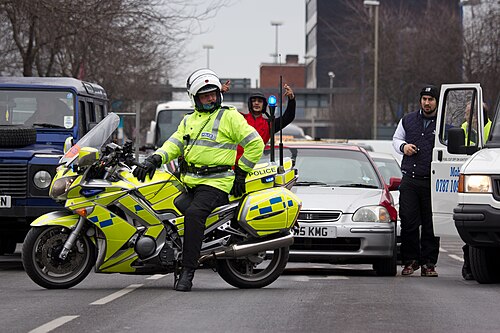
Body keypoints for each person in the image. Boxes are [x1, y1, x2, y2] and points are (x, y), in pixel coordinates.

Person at [133, 68, 264, 292]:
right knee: (163, 206)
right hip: (189, 182)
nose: (210, 98)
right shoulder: (189, 120)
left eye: (213, 94)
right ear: (196, 98)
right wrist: (154, 159)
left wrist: (241, 172)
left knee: (194, 215)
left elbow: (256, 143)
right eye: (205, 95)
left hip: (216, 183)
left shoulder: (229, 116)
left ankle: (187, 271)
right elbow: (174, 144)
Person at [392, 85, 441, 277]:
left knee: (431, 224)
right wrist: (403, 147)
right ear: (420, 100)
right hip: (410, 180)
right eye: (424, 99)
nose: (427, 103)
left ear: (437, 102)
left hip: (433, 182)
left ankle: (429, 264)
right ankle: (410, 261)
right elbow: (396, 139)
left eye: (431, 99)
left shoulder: (444, 122)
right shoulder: (408, 120)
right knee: (409, 223)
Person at [460, 101, 491, 280]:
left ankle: (472, 265)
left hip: (483, 179)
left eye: (468, 113)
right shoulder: (464, 128)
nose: (465, 116)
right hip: (471, 181)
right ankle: (468, 265)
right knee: (469, 231)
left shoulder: (492, 128)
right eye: (466, 112)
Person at [236, 84, 296, 161]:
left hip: (258, 166)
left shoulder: (269, 124)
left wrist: (291, 98)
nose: (256, 103)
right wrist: (219, 92)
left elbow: (288, 117)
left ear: (264, 105)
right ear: (250, 104)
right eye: (254, 101)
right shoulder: (240, 119)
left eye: (259, 101)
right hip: (236, 165)